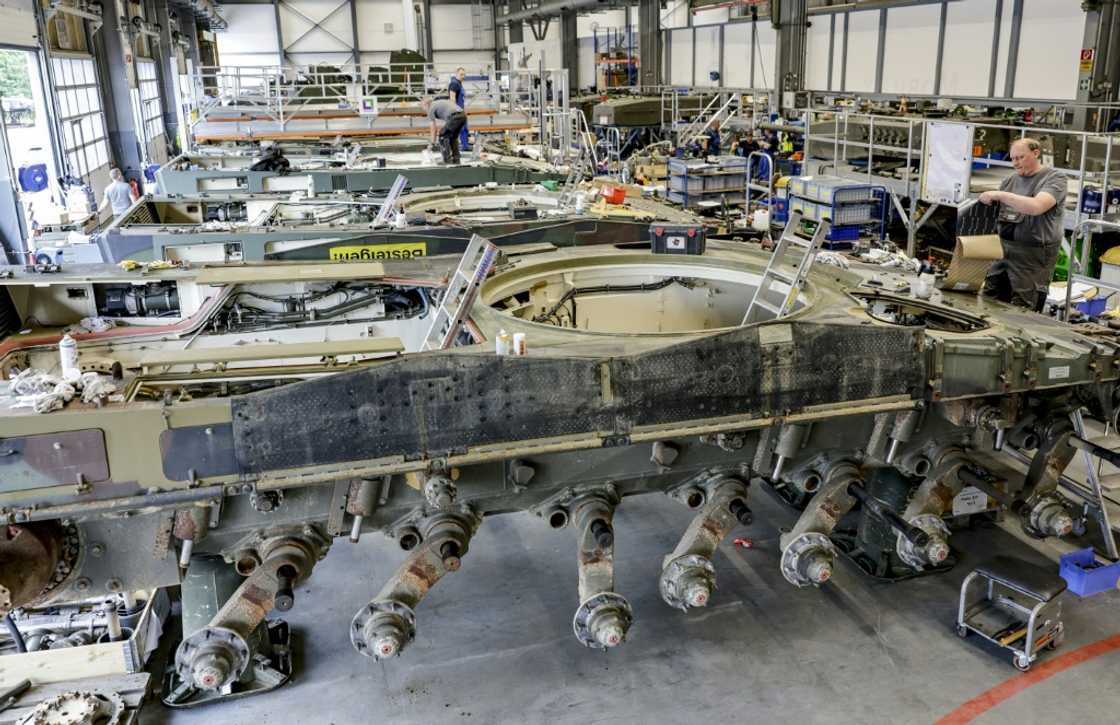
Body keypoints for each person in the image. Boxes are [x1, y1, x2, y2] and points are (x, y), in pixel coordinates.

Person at [979, 137, 1068, 310]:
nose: (1016, 163)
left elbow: (1036, 207)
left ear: (1036, 153)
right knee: (989, 302)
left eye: (1020, 157)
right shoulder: (1009, 181)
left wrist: (1000, 195)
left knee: (1023, 310)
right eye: (1013, 159)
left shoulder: (1055, 179)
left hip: (1032, 256)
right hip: (1002, 251)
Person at [422, 96, 467, 164]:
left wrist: (432, 143)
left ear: (426, 104)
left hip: (454, 116)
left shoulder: (431, 108)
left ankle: (446, 160)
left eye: (422, 106)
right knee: (453, 137)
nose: (423, 109)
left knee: (442, 136)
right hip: (462, 115)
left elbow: (433, 129)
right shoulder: (438, 103)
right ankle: (456, 159)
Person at [447, 67, 471, 152]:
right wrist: (455, 112)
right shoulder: (454, 84)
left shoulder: (459, 83)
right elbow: (452, 98)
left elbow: (461, 99)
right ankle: (455, 148)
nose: (463, 76)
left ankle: (465, 146)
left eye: (464, 74)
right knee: (458, 130)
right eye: (461, 74)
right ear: (456, 74)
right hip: (457, 111)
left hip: (461, 110)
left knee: (464, 129)